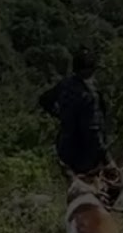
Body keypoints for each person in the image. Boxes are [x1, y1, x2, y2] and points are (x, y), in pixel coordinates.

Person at [39, 47, 116, 190]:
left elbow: (44, 100)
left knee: (72, 191)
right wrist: (108, 160)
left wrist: (60, 115)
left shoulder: (65, 84)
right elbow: (93, 130)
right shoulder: (90, 95)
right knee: (105, 191)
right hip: (85, 155)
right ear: (89, 70)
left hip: (65, 150)